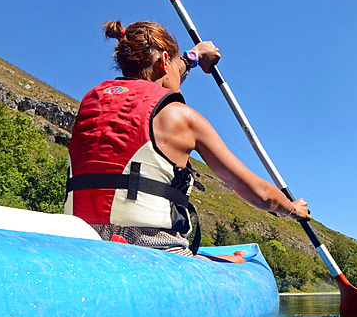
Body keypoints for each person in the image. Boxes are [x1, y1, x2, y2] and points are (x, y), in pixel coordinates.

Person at [64, 20, 310, 256]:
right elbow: (261, 194)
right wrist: (292, 209)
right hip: (154, 248)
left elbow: (161, 76)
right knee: (238, 259)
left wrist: (192, 57)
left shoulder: (91, 105)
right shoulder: (181, 117)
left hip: (83, 243)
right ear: (163, 61)